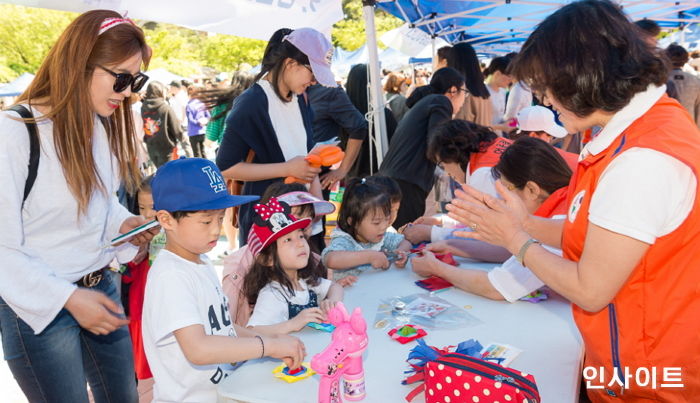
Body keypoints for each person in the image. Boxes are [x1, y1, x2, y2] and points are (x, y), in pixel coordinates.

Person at [448, 1, 700, 400]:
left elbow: (590, 288)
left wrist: (516, 239)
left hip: (647, 377)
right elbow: (599, 234)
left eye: (548, 88)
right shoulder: (640, 128)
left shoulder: (640, 160)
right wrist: (524, 223)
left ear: (583, 77)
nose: (546, 101)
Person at [0, 10, 156, 402]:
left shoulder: (96, 127)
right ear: (79, 62)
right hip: (40, 311)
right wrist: (68, 299)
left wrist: (125, 225)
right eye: (121, 78)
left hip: (100, 288)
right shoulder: (15, 133)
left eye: (136, 80)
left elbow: (99, 208)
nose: (128, 92)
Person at [142, 158, 305, 402]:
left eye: (220, 218)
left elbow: (224, 328)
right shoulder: (171, 276)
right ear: (166, 220)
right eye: (206, 221)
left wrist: (270, 339)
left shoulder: (201, 261)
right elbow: (198, 349)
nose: (215, 230)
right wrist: (267, 347)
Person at [412, 137, 572, 302]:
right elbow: (513, 249)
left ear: (532, 190)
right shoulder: (562, 203)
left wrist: (437, 268)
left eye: (506, 190)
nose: (502, 199)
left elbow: (498, 287)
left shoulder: (558, 220)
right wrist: (451, 246)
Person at [216, 27, 336, 245]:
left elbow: (308, 157)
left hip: (303, 220)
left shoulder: (301, 99)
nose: (314, 82)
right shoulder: (252, 103)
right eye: (313, 73)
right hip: (268, 224)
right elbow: (226, 167)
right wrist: (286, 169)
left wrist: (317, 212)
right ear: (291, 63)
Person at [222, 182, 343, 327]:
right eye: (296, 217)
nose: (304, 227)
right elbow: (229, 326)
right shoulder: (239, 269)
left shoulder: (308, 260)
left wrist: (331, 297)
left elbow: (327, 288)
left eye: (309, 219)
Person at [379, 67, 467, 228]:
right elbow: (437, 143)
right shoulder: (441, 102)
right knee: (404, 236)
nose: (464, 99)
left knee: (394, 236)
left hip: (395, 178)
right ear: (453, 91)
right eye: (464, 92)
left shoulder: (427, 102)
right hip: (406, 183)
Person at [120, 174, 166, 382]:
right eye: (141, 208)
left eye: (152, 207)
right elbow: (126, 272)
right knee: (146, 372)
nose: (147, 215)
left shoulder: (177, 235)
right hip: (140, 309)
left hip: (165, 307)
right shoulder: (135, 237)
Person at [322, 178, 411, 281]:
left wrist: (400, 252)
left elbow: (405, 242)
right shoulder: (345, 240)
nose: (383, 226)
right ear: (353, 222)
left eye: (386, 219)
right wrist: (369, 257)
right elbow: (331, 260)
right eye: (376, 222)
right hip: (349, 294)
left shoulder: (381, 236)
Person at [306, 82, 368, 190]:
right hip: (285, 178)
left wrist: (343, 169)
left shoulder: (328, 91)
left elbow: (358, 127)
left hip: (318, 177)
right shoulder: (279, 92)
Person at [344, 63, 398, 178]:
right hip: (380, 182)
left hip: (349, 182)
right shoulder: (382, 116)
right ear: (370, 86)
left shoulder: (342, 117)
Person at [447, 42, 492, 127]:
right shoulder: (484, 91)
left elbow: (460, 128)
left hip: (470, 139)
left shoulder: (464, 94)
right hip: (485, 138)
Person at [141, 81, 183, 168]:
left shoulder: (143, 107)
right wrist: (182, 138)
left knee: (160, 172)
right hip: (165, 147)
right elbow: (175, 127)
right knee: (168, 173)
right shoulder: (165, 108)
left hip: (151, 145)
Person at [666, 44, 700, 127]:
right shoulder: (696, 80)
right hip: (689, 129)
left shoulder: (659, 81)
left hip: (665, 130)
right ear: (685, 60)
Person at [483, 56, 514, 134]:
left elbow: (500, 118)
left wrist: (511, 122)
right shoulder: (483, 92)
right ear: (498, 73)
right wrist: (501, 127)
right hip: (486, 137)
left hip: (498, 138)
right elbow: (479, 124)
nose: (511, 80)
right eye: (509, 77)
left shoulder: (502, 91)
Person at [168, 79, 193, 157]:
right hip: (176, 122)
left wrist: (182, 120)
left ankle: (191, 160)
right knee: (181, 144)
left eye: (171, 87)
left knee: (185, 143)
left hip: (181, 123)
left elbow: (184, 108)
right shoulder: (174, 96)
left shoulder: (181, 96)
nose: (170, 89)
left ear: (176, 88)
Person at [184, 85, 210, 158]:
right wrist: (203, 122)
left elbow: (191, 119)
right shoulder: (202, 104)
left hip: (193, 132)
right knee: (203, 151)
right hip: (203, 131)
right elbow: (208, 116)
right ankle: (208, 167)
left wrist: (198, 122)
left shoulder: (189, 105)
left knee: (197, 153)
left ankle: (199, 169)